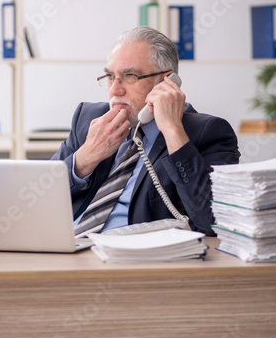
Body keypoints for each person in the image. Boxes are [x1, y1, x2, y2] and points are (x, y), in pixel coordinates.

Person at [52, 26, 240, 236]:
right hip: (69, 246)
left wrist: (172, 130)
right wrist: (85, 158)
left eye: (130, 75)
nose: (115, 90)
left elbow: (214, 222)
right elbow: (36, 199)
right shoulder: (88, 118)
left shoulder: (209, 133)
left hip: (134, 260)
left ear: (166, 82)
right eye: (109, 76)